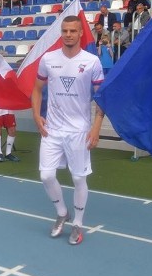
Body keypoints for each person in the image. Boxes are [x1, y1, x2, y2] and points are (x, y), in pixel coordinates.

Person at [31, 15, 105, 245]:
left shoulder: (92, 61)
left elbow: (101, 98)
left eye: (73, 31)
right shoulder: (48, 59)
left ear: (81, 33)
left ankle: (78, 224)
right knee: (46, 175)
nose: (68, 35)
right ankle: (62, 213)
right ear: (61, 33)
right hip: (52, 129)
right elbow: (36, 89)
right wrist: (36, 115)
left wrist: (95, 128)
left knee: (78, 177)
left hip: (79, 131)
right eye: (65, 31)